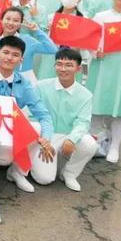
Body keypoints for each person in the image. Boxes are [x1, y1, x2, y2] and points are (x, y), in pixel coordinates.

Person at [0, 36, 55, 193]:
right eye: (6, 52)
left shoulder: (24, 84)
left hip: (5, 140)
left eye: (15, 55)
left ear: (21, 59)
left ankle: (16, 172)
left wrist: (46, 138)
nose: (9, 58)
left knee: (36, 128)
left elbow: (44, 115)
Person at [35, 49, 97, 191]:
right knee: (44, 179)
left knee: (90, 144)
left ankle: (69, 173)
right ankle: (45, 162)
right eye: (59, 64)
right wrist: (44, 139)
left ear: (78, 68)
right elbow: (32, 115)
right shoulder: (41, 86)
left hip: (67, 135)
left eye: (69, 65)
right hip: (45, 136)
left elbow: (83, 122)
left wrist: (72, 139)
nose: (63, 69)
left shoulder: (86, 95)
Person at [86, 0, 121, 163]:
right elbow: (90, 39)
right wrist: (95, 51)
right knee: (97, 105)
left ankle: (115, 146)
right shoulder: (101, 16)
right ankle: (92, 144)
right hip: (102, 65)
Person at [0, 7, 56, 76]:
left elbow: (52, 49)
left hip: (25, 81)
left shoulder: (28, 40)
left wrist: (37, 31)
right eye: (8, 19)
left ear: (20, 23)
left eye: (16, 20)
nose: (11, 23)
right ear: (1, 20)